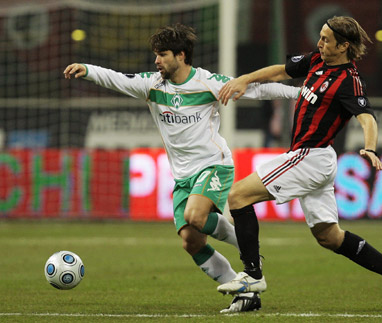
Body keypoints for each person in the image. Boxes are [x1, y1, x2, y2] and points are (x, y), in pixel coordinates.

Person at [63, 23, 299, 313]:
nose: (156, 61)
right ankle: (244, 295)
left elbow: (256, 90)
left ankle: (248, 250)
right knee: (190, 241)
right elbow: (116, 79)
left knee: (195, 215)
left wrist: (300, 93)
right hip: (183, 176)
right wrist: (86, 69)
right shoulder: (152, 85)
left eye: (162, 55)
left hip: (214, 165)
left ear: (182, 55)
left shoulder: (208, 83)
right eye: (156, 55)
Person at [216, 16, 382, 311]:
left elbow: (367, 117)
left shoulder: (349, 82)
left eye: (326, 39)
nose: (319, 43)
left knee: (238, 196)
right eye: (321, 37)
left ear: (344, 46)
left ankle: (252, 276)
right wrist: (245, 79)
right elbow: (279, 72)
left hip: (310, 156)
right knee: (329, 236)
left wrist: (370, 147)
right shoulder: (316, 61)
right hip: (317, 159)